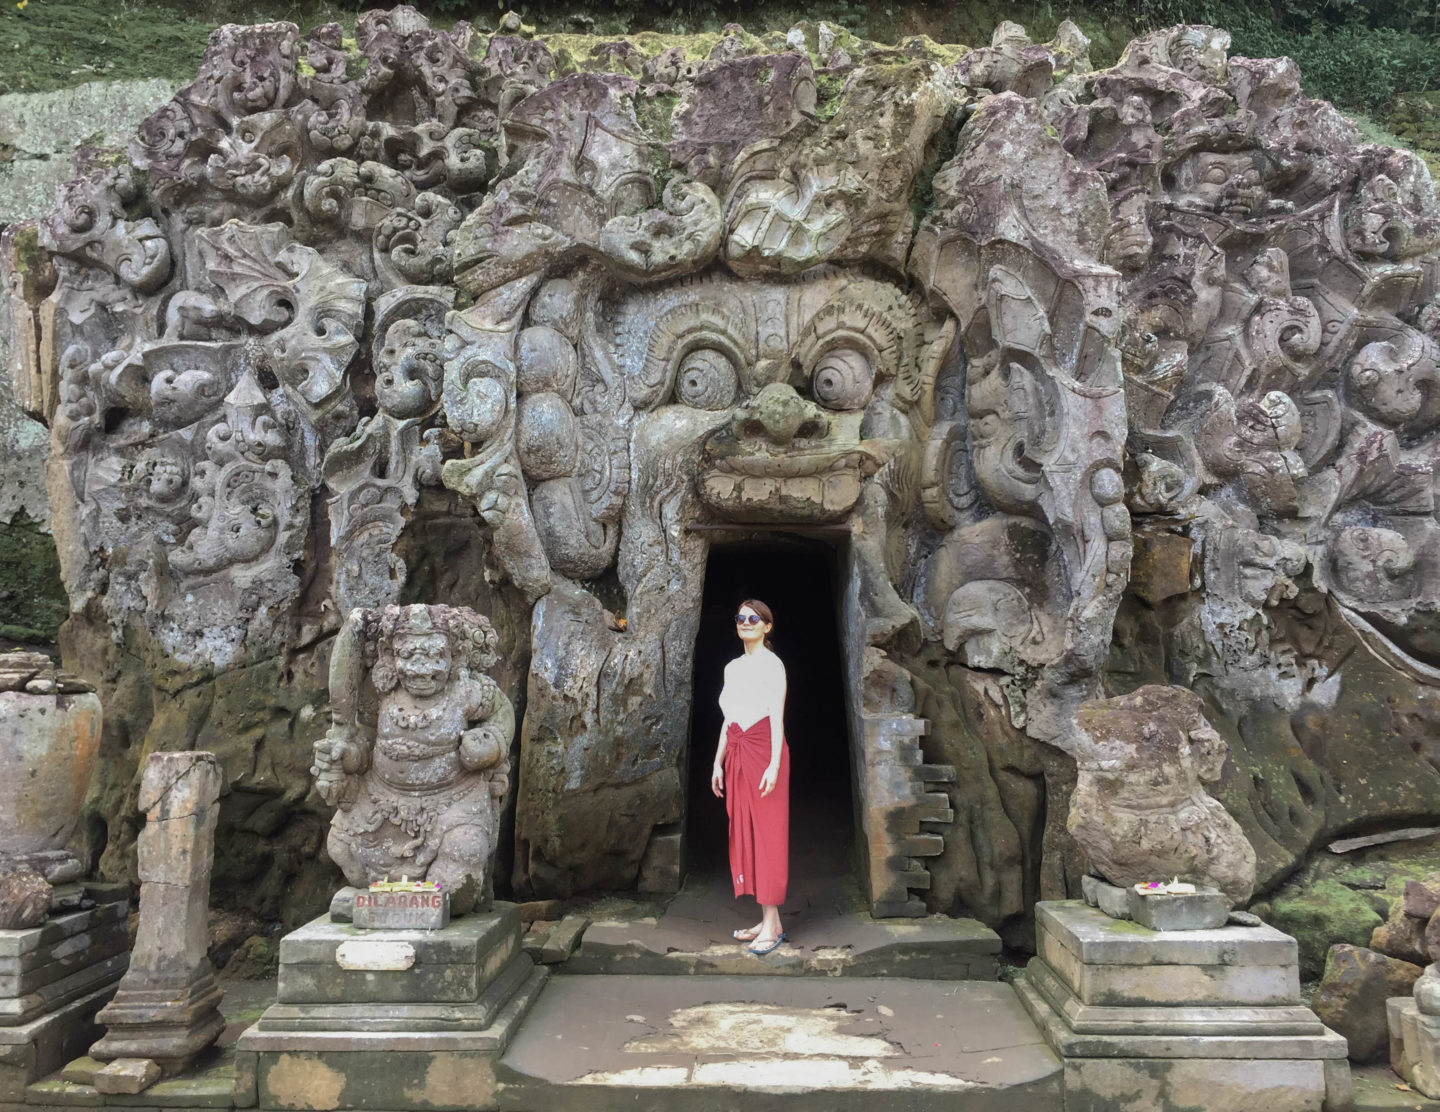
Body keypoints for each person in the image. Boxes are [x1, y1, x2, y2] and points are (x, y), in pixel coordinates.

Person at [710, 598, 790, 954]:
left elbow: (776, 717)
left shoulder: (773, 665)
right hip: (737, 749)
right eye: (740, 617)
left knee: (768, 835)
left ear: (767, 626)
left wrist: (774, 765)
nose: (746, 622)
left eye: (753, 618)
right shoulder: (732, 668)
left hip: (764, 751)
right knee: (746, 832)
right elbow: (729, 718)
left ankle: (772, 927)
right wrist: (717, 762)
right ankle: (767, 919)